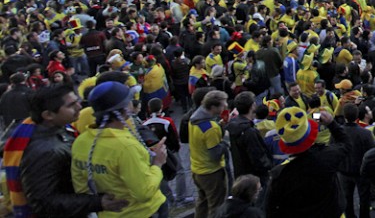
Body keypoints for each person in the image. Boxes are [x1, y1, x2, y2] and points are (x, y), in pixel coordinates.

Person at [6, 84, 126, 217]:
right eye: (71, 105)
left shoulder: (60, 129)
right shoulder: (43, 151)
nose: (79, 107)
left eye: (77, 101)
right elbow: (42, 203)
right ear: (48, 115)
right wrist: (97, 202)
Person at [70, 81, 167, 217]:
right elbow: (144, 192)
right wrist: (157, 163)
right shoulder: (125, 147)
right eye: (129, 100)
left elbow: (81, 188)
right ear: (123, 109)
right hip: (142, 213)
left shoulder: (81, 142)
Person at [264, 107, 348, 217]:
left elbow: (270, 209)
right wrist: (332, 124)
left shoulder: (279, 174)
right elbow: (346, 144)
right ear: (310, 136)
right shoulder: (327, 157)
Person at [189, 90, 230, 218]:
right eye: (223, 104)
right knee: (216, 207)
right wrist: (226, 139)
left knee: (202, 203)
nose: (226, 106)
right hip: (211, 173)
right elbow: (215, 154)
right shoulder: (211, 128)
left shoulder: (194, 119)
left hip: (197, 170)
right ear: (213, 107)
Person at [223, 92, 272, 185]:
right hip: (255, 179)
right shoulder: (249, 131)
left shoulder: (232, 125)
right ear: (252, 106)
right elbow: (258, 158)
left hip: (241, 175)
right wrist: (269, 165)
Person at [339, 103, 375, 218]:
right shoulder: (365, 133)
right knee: (364, 198)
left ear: (344, 116)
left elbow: (333, 149)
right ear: (357, 117)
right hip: (361, 172)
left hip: (344, 171)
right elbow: (371, 153)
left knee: (347, 199)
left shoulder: (338, 132)